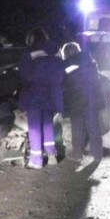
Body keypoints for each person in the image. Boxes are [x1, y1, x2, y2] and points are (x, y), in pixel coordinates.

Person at [18, 28, 65, 169]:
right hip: (52, 92)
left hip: (34, 92)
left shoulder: (30, 53)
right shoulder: (57, 52)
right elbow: (62, 73)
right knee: (47, 123)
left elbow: (24, 75)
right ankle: (51, 154)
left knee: (34, 126)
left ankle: (36, 160)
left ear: (31, 39)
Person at [60, 42, 105, 163]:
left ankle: (78, 154)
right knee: (93, 128)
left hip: (75, 102)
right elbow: (96, 80)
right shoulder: (89, 61)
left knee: (77, 129)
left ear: (65, 54)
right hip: (92, 100)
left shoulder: (65, 65)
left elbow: (62, 84)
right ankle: (97, 155)